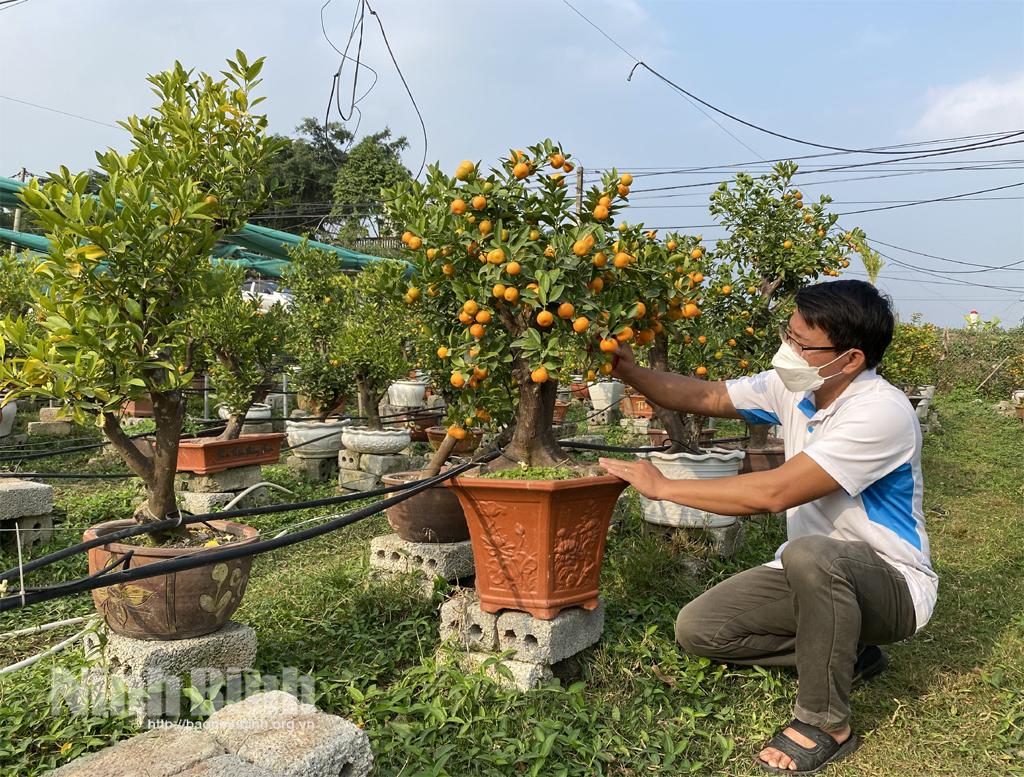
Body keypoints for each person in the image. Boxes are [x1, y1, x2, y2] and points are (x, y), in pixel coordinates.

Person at [598, 280, 936, 774]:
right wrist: (625, 367)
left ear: (850, 360)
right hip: (813, 573)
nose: (788, 351)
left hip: (891, 586)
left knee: (814, 554)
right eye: (789, 334)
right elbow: (706, 396)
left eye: (802, 344)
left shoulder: (879, 413)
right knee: (701, 630)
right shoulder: (796, 387)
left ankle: (825, 722)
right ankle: (848, 654)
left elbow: (772, 493)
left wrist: (664, 486)